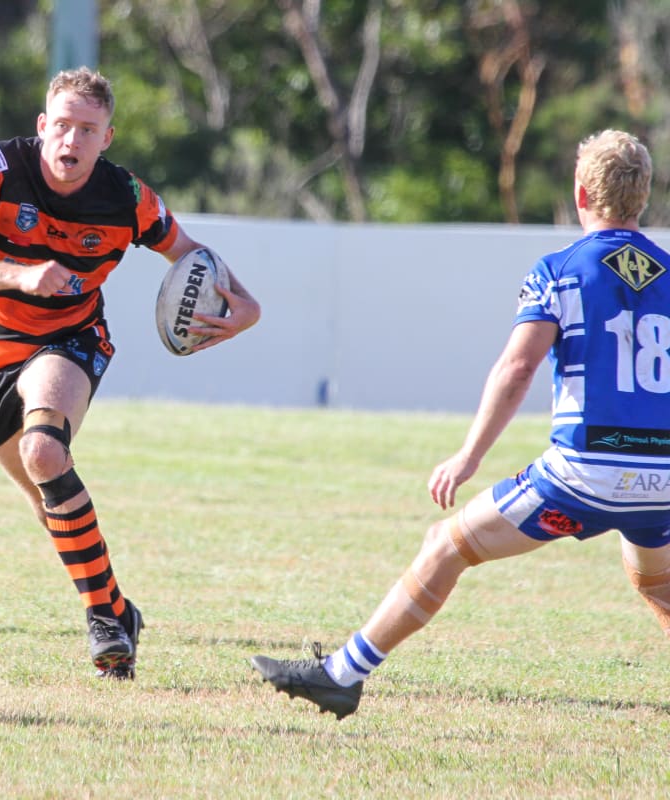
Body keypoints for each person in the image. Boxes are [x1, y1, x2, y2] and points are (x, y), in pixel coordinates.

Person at [251, 129, 670, 720]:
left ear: (581, 194)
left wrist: (469, 456)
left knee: (445, 546)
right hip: (664, 477)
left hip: (585, 473)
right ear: (644, 196)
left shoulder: (561, 269)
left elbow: (519, 366)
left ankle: (341, 675)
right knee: (656, 584)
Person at [0, 67, 260, 678]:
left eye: (87, 130)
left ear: (107, 139)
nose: (71, 141)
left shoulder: (127, 198)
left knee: (47, 453)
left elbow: (189, 254)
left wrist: (246, 304)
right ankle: (120, 608)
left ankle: (102, 623)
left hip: (67, 340)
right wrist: (16, 274)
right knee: (50, 501)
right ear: (43, 127)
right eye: (63, 126)